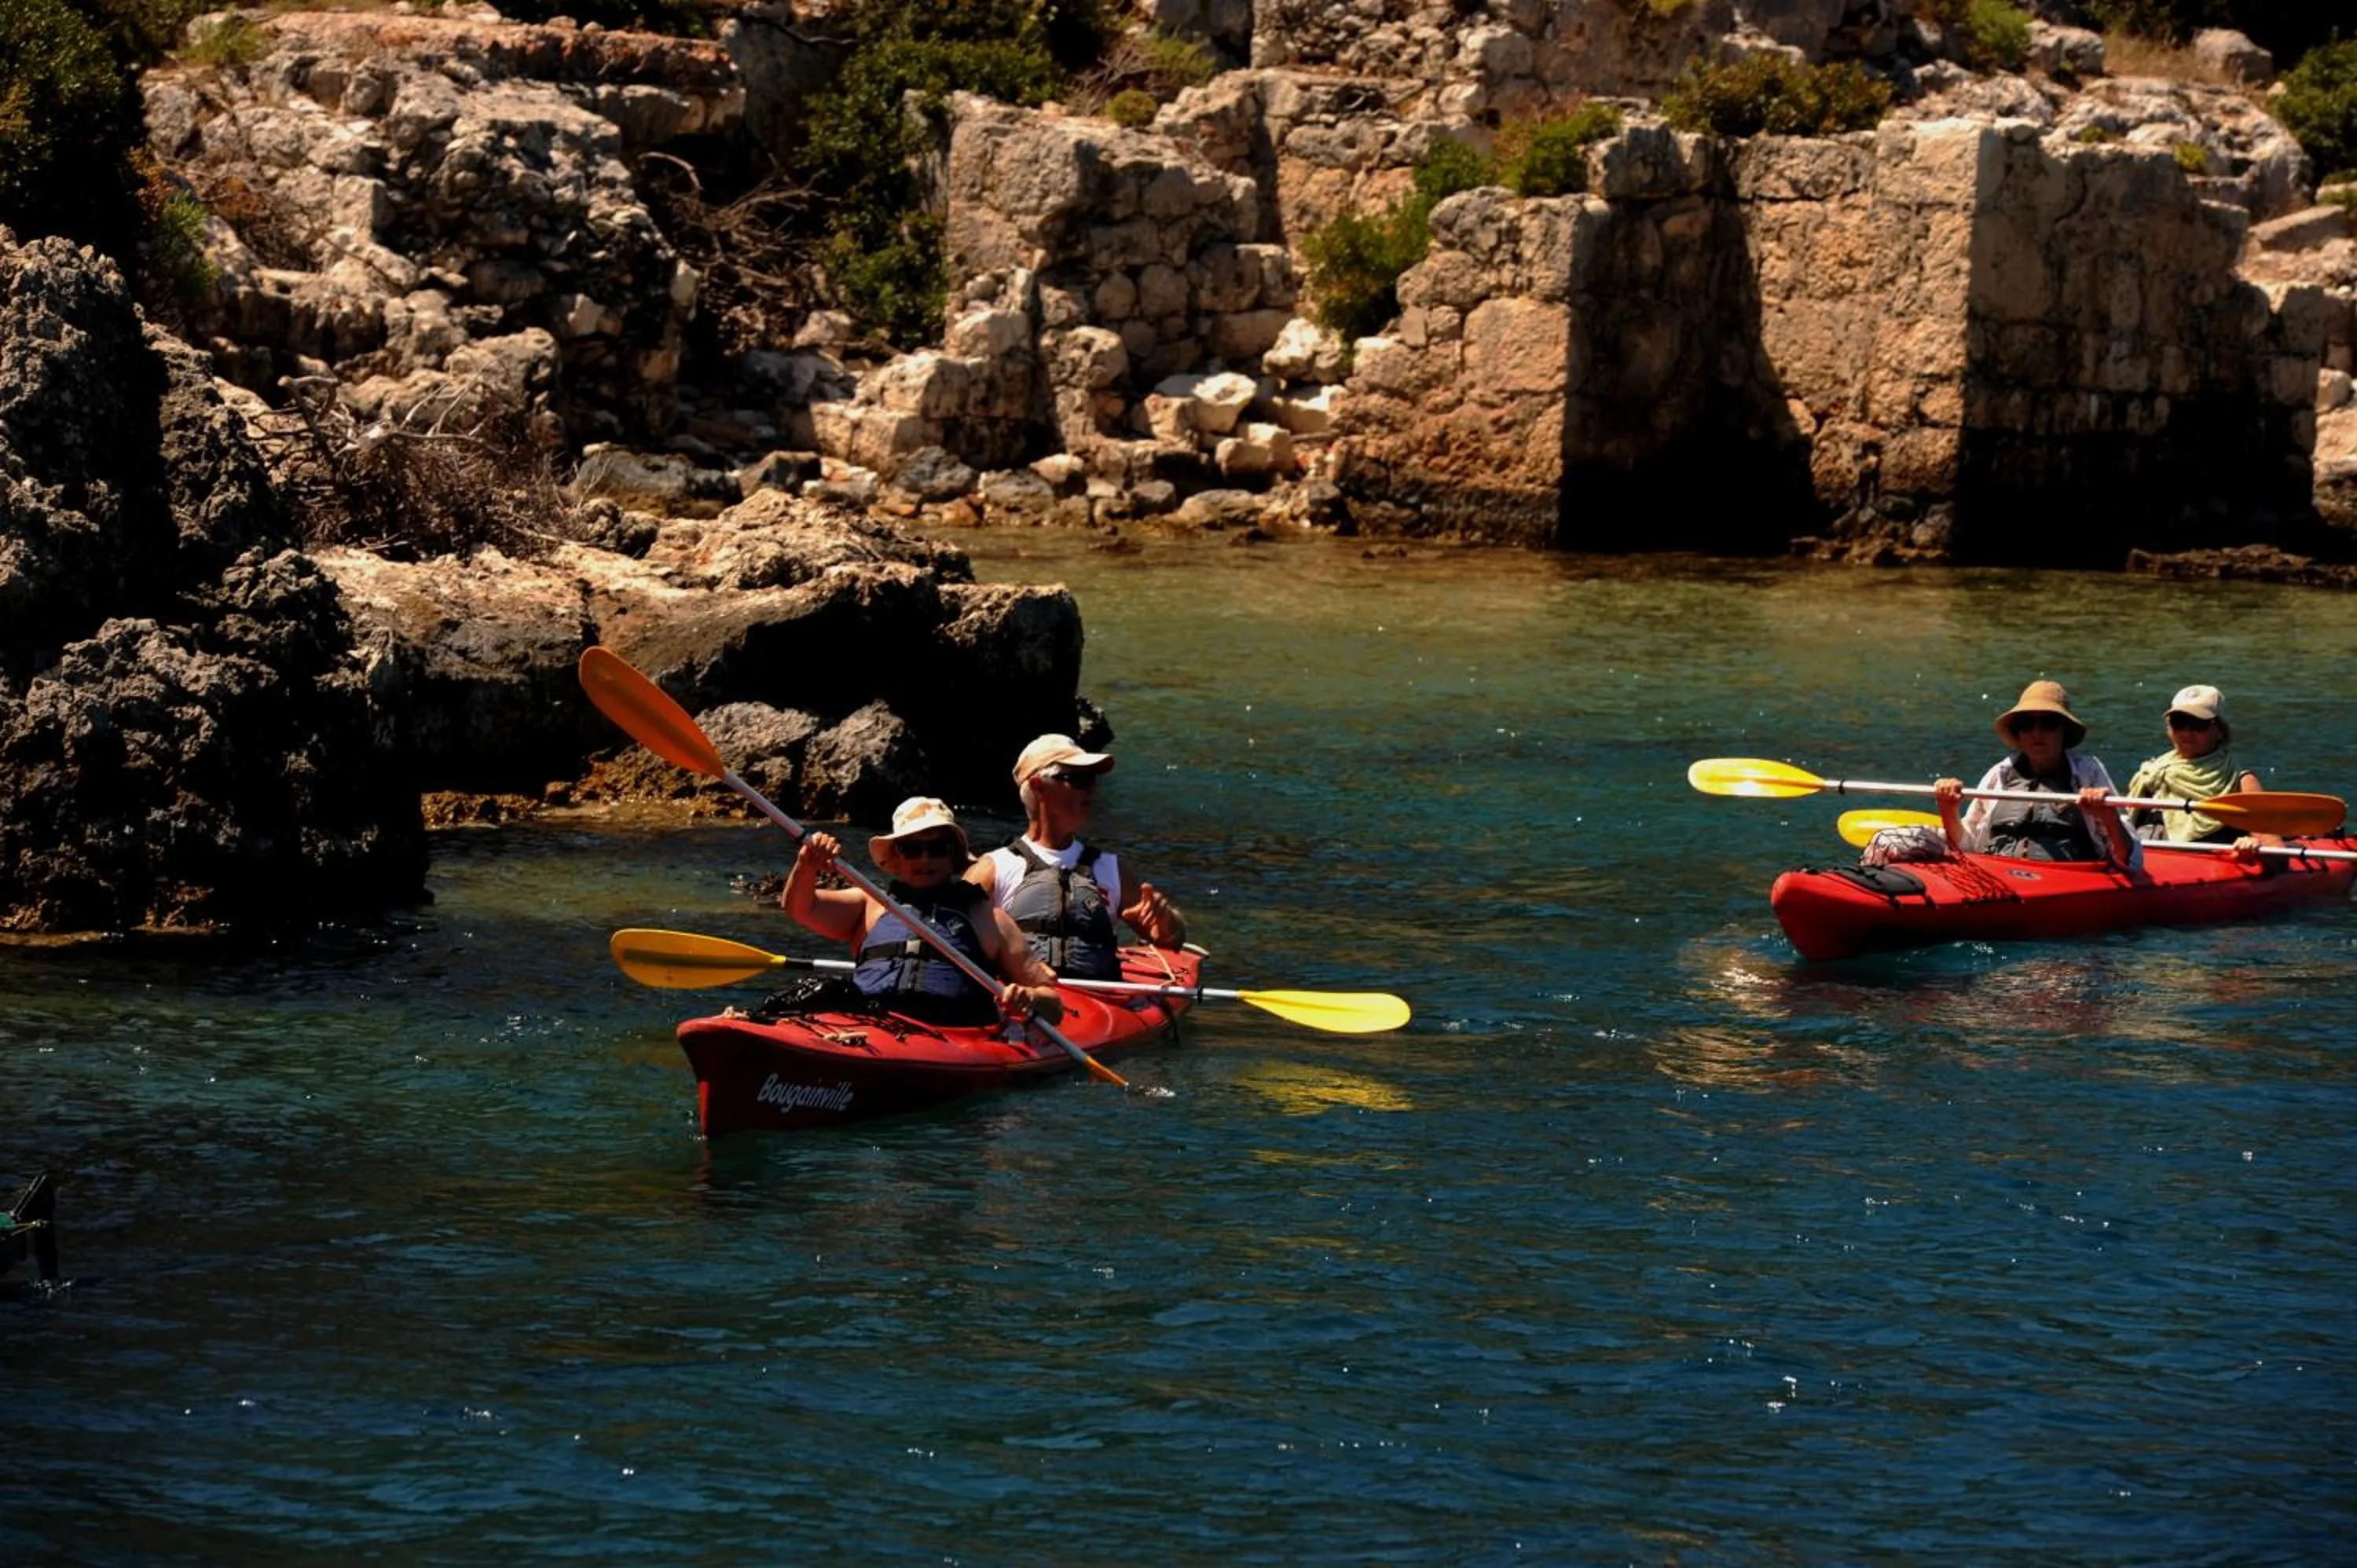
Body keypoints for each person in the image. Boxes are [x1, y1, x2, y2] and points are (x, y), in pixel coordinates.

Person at [781, 796, 1064, 1027]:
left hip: (954, 1037)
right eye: (912, 848)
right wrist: (807, 865)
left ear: (953, 854)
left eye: (937, 847)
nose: (925, 859)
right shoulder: (869, 903)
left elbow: (1054, 1004)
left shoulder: (989, 919)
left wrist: (1030, 998)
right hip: (870, 1027)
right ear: (895, 856)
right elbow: (800, 908)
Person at [965, 733, 1186, 981]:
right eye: (1079, 779)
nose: (1092, 788)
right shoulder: (993, 869)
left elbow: (1173, 940)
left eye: (1092, 779)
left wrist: (1165, 922)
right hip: (1026, 1002)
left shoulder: (1111, 869)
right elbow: (952, 941)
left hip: (1100, 1005)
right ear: (1039, 787)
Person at [1932, 680, 2143, 868]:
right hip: (1998, 879)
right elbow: (1967, 848)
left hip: (2067, 883)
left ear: (2064, 731)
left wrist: (2108, 815)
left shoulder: (2089, 772)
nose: (2037, 733)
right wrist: (1948, 809)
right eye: (2027, 725)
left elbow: (2131, 859)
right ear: (2019, 734)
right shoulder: (1999, 775)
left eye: (2048, 724)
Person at [2123, 684, 2264, 855]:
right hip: (2145, 865)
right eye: (2178, 723)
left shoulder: (2241, 782)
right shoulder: (2152, 775)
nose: (2186, 733)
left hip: (2204, 869)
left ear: (2220, 731)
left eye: (2198, 724)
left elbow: (2277, 855)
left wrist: (2253, 845)